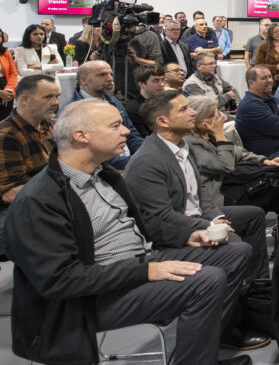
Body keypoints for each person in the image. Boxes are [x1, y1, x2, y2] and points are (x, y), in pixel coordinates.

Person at [4, 99, 257, 365]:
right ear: (81, 136)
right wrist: (145, 271)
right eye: (115, 126)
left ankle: (204, 346)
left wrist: (185, 237)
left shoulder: (104, 176)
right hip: (88, 299)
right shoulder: (40, 199)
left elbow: (143, 229)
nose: (126, 130)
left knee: (235, 252)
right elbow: (60, 280)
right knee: (208, 281)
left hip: (136, 264)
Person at [126, 90, 271, 290]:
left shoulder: (182, 145)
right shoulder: (148, 161)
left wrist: (215, 218)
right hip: (173, 230)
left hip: (197, 215)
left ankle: (256, 285)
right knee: (236, 245)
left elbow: (200, 191)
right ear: (163, 121)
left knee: (252, 215)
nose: (193, 113)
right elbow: (162, 216)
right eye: (184, 109)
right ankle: (228, 307)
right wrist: (206, 225)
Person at [184, 95, 279, 237]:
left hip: (234, 184)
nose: (218, 118)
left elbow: (239, 152)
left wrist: (264, 161)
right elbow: (224, 165)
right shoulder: (190, 142)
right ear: (197, 118)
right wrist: (220, 134)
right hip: (220, 196)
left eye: (216, 113)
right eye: (210, 115)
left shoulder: (208, 135)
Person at [0, 75, 59, 254]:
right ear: (24, 100)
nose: (56, 102)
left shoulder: (47, 124)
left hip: (42, 199)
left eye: (57, 96)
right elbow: (10, 194)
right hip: (14, 210)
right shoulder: (7, 135)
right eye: (48, 97)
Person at [61, 60, 145, 168]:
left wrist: (146, 153)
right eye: (102, 75)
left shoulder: (113, 101)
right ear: (83, 80)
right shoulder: (72, 112)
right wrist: (137, 162)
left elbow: (132, 134)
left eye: (110, 74)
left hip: (129, 162)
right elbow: (91, 154)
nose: (110, 78)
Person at [234, 65, 279, 169]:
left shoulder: (272, 99)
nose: (269, 81)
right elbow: (277, 126)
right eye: (264, 78)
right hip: (270, 155)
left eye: (269, 77)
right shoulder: (250, 105)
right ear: (251, 83)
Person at [125, 64, 166, 137]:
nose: (162, 84)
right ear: (141, 84)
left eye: (163, 79)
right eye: (155, 81)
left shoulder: (167, 103)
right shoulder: (133, 110)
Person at [0, 27, 18, 121]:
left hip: (6, 89)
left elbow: (13, 73)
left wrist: (9, 91)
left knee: (5, 122)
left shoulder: (5, 52)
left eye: (0, 36)